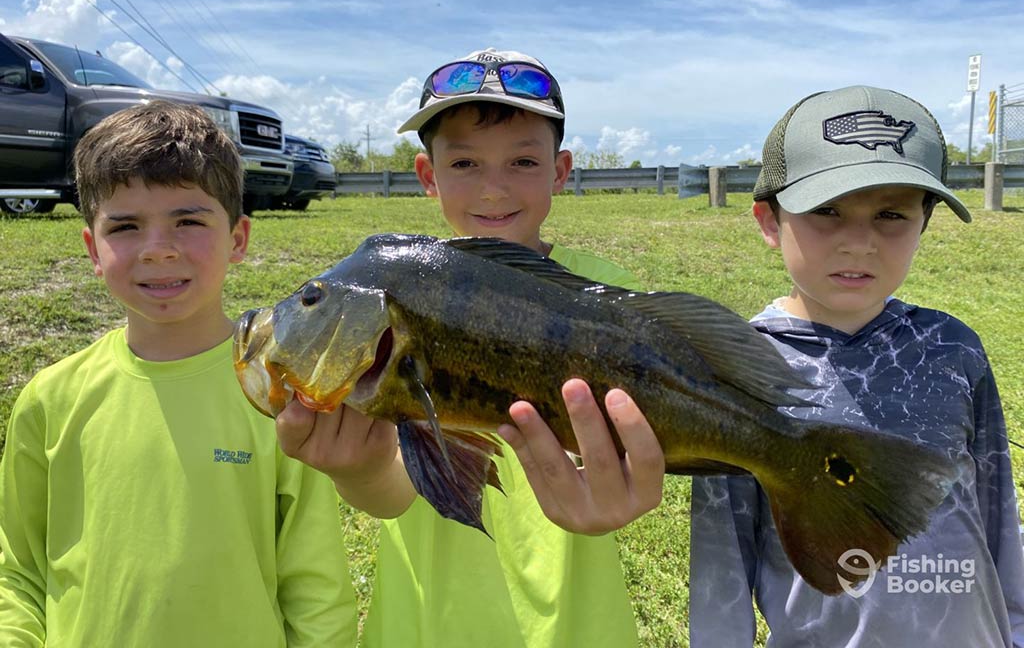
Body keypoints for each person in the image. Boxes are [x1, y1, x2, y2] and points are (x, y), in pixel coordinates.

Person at [276, 48, 666, 647]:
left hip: (576, 627)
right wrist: (356, 468)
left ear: (560, 171)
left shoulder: (609, 297)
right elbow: (392, 489)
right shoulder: (380, 303)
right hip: (427, 624)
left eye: (522, 161)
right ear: (427, 175)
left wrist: (626, 497)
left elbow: (633, 459)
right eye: (463, 162)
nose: (493, 188)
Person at [0, 102, 358, 646]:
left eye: (188, 221)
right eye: (125, 226)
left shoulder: (287, 399)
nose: (159, 250)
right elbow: (16, 571)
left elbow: (317, 592)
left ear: (238, 238)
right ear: (92, 249)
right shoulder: (50, 399)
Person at [689, 85, 1024, 647]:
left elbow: (995, 505)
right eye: (826, 211)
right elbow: (722, 553)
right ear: (769, 221)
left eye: (891, 213)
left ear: (924, 223)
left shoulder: (953, 347)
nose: (860, 241)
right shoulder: (737, 365)